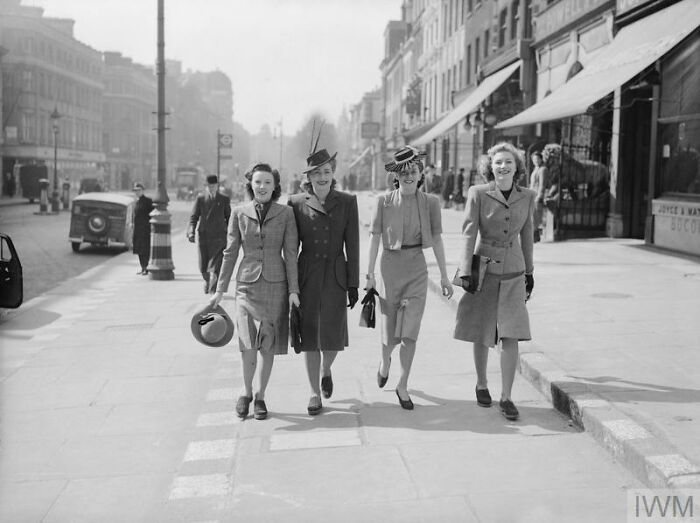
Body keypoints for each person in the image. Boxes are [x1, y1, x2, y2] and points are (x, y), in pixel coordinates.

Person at [366, 146, 453, 410]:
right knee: (389, 332)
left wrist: (445, 277)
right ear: (396, 176)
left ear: (420, 173)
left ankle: (402, 384)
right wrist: (369, 275)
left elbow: (437, 239)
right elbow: (375, 237)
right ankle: (385, 362)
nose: (408, 176)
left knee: (410, 333)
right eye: (403, 172)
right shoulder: (383, 202)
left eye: (413, 171)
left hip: (417, 267)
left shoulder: (431, 203)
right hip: (390, 268)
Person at [453, 142, 535, 421]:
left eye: (508, 162)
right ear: (490, 166)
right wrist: (465, 269)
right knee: (482, 329)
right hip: (484, 269)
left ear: (517, 167)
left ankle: (507, 396)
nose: (503, 166)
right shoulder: (478, 193)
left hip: (514, 270)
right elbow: (468, 233)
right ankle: (481, 383)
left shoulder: (527, 196)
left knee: (512, 333)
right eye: (498, 162)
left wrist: (530, 272)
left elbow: (527, 235)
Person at [210, 163, 300, 420]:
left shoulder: (286, 214)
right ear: (250, 185)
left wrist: (293, 290)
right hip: (246, 287)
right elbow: (230, 253)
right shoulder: (239, 213)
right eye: (258, 182)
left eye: (267, 183)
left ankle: (261, 396)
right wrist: (219, 290)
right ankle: (246, 392)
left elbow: (291, 254)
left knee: (267, 344)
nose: (262, 187)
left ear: (275, 187)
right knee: (247, 343)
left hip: (276, 284)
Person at [288, 149, 360, 415]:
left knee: (332, 337)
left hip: (335, 274)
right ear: (308, 177)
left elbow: (352, 245)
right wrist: (292, 285)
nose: (322, 177)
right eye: (316, 173)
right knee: (310, 337)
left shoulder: (347, 201)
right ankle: (313, 393)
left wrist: (353, 283)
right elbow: (291, 247)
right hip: (307, 273)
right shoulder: (295, 203)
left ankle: (326, 369)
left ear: (334, 174)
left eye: (327, 172)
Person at [187, 174, 232, 294]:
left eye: (213, 185)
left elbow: (229, 218)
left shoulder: (224, 199)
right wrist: (191, 231)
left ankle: (213, 290)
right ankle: (207, 281)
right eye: (209, 186)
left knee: (216, 266)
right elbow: (194, 217)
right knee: (203, 267)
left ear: (217, 186)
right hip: (204, 236)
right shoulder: (200, 199)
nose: (211, 188)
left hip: (219, 238)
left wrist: (232, 234)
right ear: (206, 187)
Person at [131, 182, 153, 275]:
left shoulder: (148, 201)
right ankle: (142, 267)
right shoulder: (136, 202)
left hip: (145, 228)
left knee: (145, 249)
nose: (137, 192)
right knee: (139, 248)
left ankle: (146, 267)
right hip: (137, 229)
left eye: (139, 190)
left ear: (143, 191)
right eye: (136, 191)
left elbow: (152, 214)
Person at [529, 152, 548, 242]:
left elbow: (542, 184)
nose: (536, 161)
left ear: (541, 159)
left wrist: (540, 195)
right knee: (532, 216)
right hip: (532, 195)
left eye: (537, 159)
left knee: (536, 216)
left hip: (537, 196)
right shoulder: (535, 169)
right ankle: (535, 236)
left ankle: (535, 237)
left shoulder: (543, 169)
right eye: (534, 159)